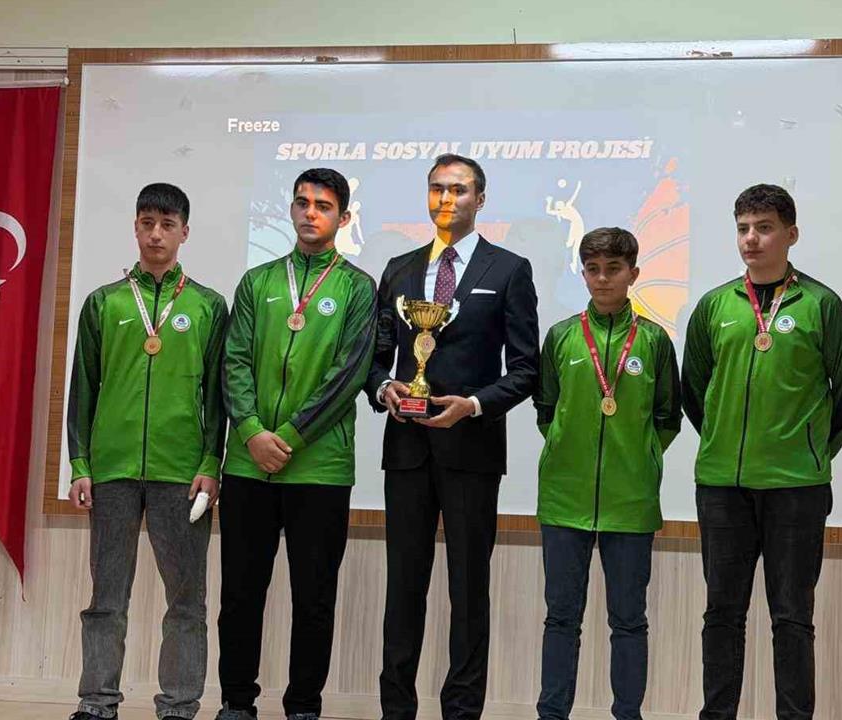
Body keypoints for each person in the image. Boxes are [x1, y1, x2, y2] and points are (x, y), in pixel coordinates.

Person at [681, 184, 842, 720]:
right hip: (722, 488)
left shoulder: (821, 305)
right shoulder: (714, 306)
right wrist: (722, 440)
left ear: (791, 234)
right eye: (743, 228)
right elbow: (695, 391)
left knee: (792, 618)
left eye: (764, 228)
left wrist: (808, 451)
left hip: (796, 489)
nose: (751, 239)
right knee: (722, 614)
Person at [367, 154, 539, 720]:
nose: (447, 198)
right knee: (403, 587)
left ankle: (461, 711)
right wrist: (384, 388)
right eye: (437, 188)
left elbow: (526, 369)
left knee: (468, 590)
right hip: (407, 450)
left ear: (480, 200)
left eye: (459, 190)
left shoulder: (509, 269)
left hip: (472, 451)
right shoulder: (399, 269)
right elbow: (375, 356)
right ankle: (396, 709)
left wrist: (474, 405)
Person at [216, 168, 377, 720]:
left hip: (320, 469)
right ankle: (237, 702)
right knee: (240, 594)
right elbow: (234, 360)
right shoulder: (257, 281)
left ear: (343, 218)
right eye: (303, 202)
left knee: (314, 598)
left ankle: (304, 706)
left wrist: (284, 437)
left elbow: (348, 374)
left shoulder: (358, 287)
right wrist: (251, 432)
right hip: (247, 466)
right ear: (290, 210)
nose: (311, 212)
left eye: (324, 205)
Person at [66, 182, 228, 720]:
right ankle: (97, 704)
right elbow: (83, 389)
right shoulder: (104, 302)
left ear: (185, 232)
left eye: (167, 225)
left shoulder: (208, 306)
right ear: (135, 227)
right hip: (111, 470)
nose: (156, 234)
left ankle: (178, 707)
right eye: (147, 223)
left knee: (186, 599)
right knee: (106, 598)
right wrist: (81, 464)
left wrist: (210, 463)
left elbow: (218, 398)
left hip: (181, 473)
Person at [533, 227, 681, 720]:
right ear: (583, 273)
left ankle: (627, 714)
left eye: (613, 269)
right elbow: (546, 409)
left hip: (630, 501)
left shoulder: (655, 341)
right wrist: (566, 449)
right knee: (561, 618)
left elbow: (668, 417)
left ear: (633, 273)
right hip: (564, 501)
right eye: (593, 269)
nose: (602, 279)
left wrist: (638, 457)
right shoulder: (561, 336)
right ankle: (552, 713)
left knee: (629, 621)